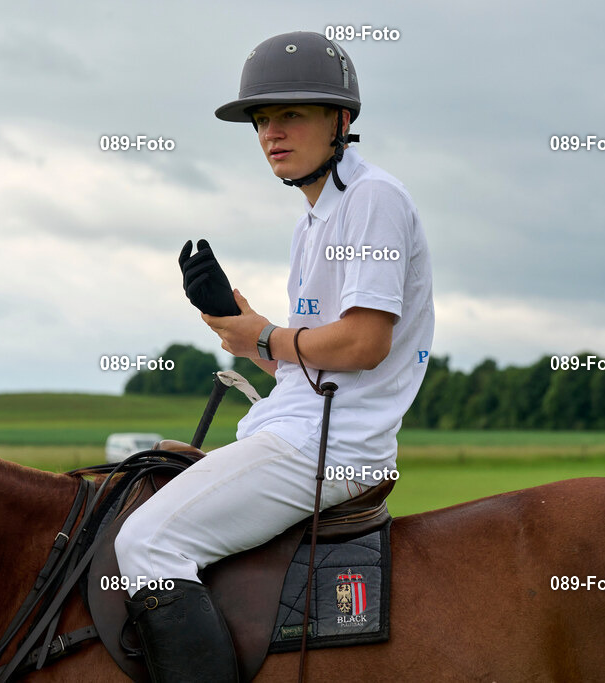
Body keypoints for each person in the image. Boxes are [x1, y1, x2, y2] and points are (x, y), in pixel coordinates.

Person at [114, 31, 434, 682]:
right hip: (300, 428)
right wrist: (240, 330)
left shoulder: (373, 199)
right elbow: (313, 366)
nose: (270, 134)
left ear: (341, 121)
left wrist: (265, 335)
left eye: (290, 115)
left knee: (146, 542)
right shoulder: (313, 219)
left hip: (328, 449)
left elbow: (365, 343)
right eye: (261, 120)